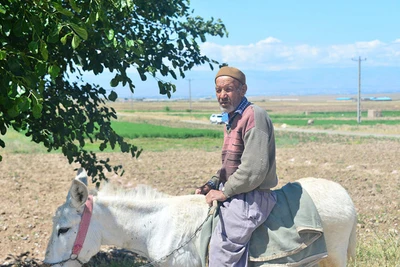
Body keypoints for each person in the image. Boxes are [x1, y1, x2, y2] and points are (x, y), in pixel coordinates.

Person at [195, 66, 278, 266]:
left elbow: (254, 169)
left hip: (251, 196)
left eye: (228, 89)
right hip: (237, 190)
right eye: (218, 90)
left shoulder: (253, 115)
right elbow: (230, 165)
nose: (222, 95)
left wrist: (225, 193)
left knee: (222, 249)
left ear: (243, 90)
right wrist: (212, 183)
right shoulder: (231, 118)